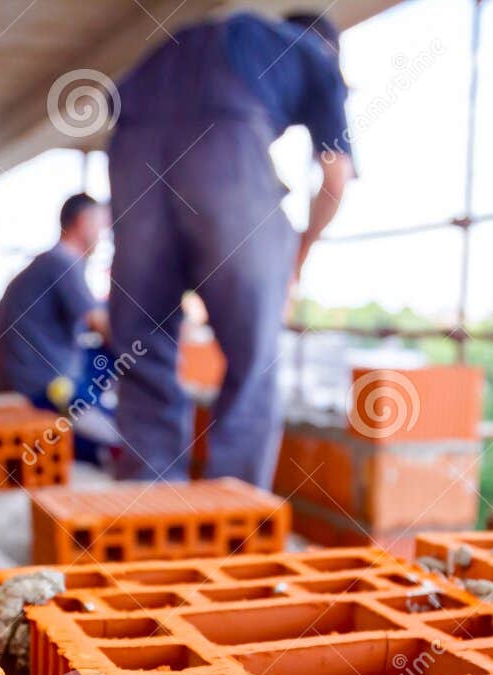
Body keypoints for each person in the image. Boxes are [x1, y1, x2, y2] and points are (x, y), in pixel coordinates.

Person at [108, 10, 354, 487]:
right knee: (254, 359)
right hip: (223, 145)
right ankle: (233, 521)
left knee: (142, 346)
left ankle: (149, 514)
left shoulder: (215, 36)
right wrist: (295, 259)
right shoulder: (318, 56)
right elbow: (335, 179)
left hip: (131, 143)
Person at [0, 192, 110, 410]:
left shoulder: (48, 262)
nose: (103, 234)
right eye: (100, 225)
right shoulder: (63, 262)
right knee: (118, 357)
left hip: (20, 375)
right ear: (82, 222)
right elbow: (101, 325)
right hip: (41, 386)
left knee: (100, 359)